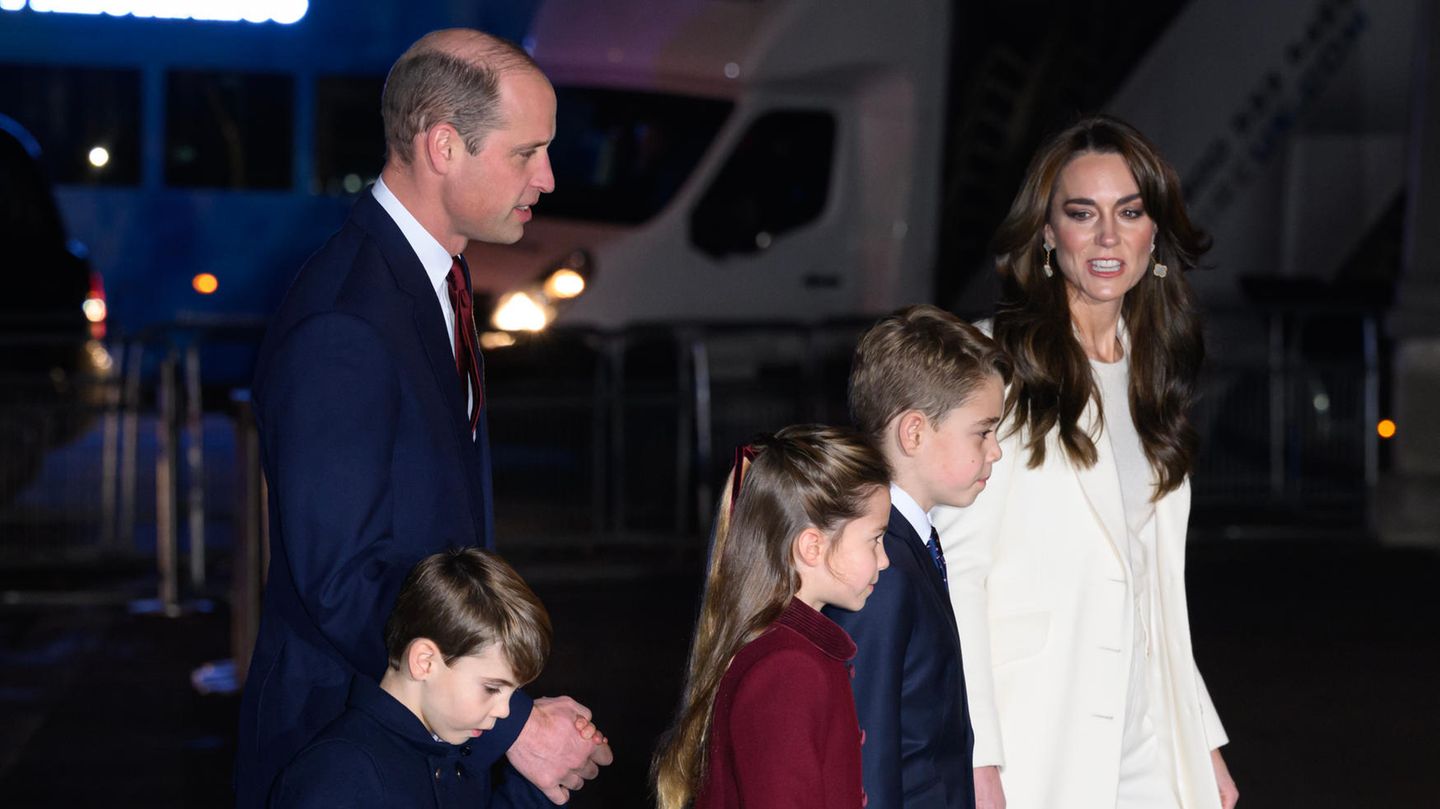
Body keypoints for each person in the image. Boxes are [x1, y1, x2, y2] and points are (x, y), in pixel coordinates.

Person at [236, 29, 610, 807]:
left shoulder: (435, 280)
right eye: (526, 152)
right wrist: (506, 719)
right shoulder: (347, 320)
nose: (547, 175)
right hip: (351, 751)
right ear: (444, 146)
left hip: (424, 738)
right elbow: (344, 581)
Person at [933, 115, 1239, 809]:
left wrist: (1205, 741)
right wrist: (978, 755)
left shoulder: (1149, 371)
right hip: (1040, 732)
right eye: (1082, 213)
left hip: (1151, 733)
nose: (1108, 237)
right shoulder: (995, 366)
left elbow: (1153, 582)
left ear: (1153, 231)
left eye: (1129, 212)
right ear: (1046, 232)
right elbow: (961, 573)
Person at [652, 425, 893, 809]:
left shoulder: (792, 652)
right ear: (812, 546)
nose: (884, 559)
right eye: (875, 539)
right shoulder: (788, 670)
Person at [827, 304, 1010, 809]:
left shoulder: (909, 544)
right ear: (913, 433)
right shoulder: (880, 566)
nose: (996, 451)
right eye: (983, 431)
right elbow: (867, 747)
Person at [271, 548, 579, 807]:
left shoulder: (451, 749)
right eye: (491, 688)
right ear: (425, 661)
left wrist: (533, 789)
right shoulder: (338, 778)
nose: (504, 711)